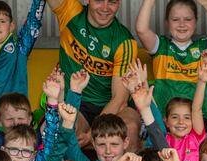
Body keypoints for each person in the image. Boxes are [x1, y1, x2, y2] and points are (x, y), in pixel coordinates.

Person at [46, 0, 140, 142]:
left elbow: (119, 99)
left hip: (112, 106)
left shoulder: (125, 41)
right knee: (64, 130)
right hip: (77, 103)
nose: (105, 8)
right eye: (99, 1)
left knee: (130, 129)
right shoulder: (71, 11)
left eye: (112, 2)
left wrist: (93, 134)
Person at [135, 0, 207, 129]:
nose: (182, 24)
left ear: (196, 21)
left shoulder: (203, 48)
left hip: (199, 122)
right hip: (164, 120)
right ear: (167, 22)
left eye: (188, 19)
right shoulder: (161, 46)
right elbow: (141, 30)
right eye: (175, 19)